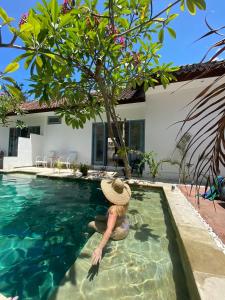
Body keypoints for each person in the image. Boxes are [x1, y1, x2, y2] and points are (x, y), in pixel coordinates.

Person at [89, 178, 131, 265]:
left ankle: (88, 235)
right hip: (125, 226)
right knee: (97, 217)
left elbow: (109, 230)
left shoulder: (113, 210)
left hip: (118, 233)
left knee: (91, 224)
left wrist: (99, 248)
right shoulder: (123, 203)